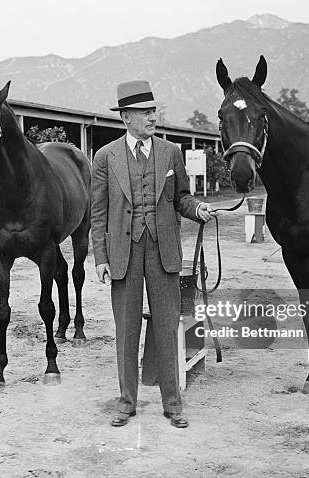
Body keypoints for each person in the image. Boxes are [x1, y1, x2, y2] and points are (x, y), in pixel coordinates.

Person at [90, 80, 217, 428]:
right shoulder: (105, 157)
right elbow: (98, 213)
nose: (152, 116)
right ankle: (127, 402)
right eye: (144, 112)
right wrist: (100, 258)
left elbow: (182, 199)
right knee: (126, 332)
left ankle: (173, 403)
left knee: (167, 329)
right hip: (123, 254)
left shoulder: (171, 152)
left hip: (164, 253)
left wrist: (198, 209)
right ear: (126, 117)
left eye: (153, 110)